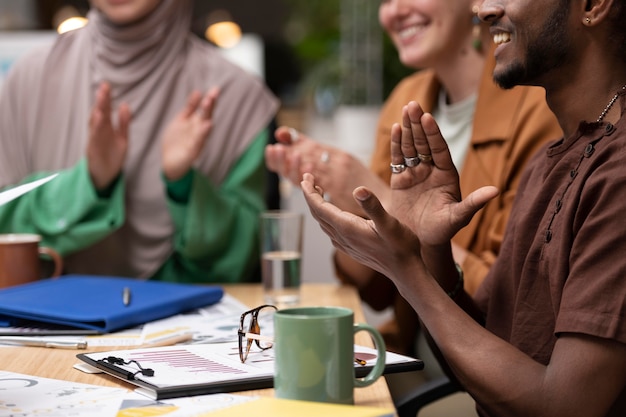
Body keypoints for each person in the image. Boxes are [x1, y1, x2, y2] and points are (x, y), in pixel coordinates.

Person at [301, 0, 626, 413]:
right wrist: (431, 250)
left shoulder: (618, 174)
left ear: (594, 5)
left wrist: (407, 268)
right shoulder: (547, 164)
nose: (483, 9)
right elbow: (480, 359)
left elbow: (564, 405)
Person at [265, 0, 561, 355]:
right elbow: (373, 290)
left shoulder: (537, 107)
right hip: (408, 352)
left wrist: (386, 203)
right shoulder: (406, 99)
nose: (395, 11)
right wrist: (349, 203)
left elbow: (511, 305)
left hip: (478, 368)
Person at [0, 0, 278, 283]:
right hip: (45, 321)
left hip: (189, 324)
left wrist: (183, 184)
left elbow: (243, 260)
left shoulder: (239, 100)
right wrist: (89, 182)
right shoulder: (29, 80)